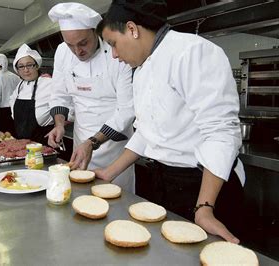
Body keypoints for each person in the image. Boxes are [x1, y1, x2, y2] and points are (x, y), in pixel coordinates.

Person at [96, 0, 246, 243]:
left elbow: (221, 133)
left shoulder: (193, 52)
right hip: (166, 182)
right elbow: (146, 131)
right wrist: (108, 172)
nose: (114, 55)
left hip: (204, 186)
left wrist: (204, 207)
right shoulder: (143, 69)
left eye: (113, 44)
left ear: (132, 29)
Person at [46, 3, 136, 192]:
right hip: (81, 145)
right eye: (71, 45)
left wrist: (92, 142)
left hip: (115, 149)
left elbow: (127, 109)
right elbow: (60, 94)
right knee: (80, 198)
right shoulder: (62, 52)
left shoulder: (116, 53)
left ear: (95, 32)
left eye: (83, 43)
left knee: (116, 203)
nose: (77, 51)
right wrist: (59, 124)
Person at [8, 44, 53, 145]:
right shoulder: (19, 87)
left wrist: (60, 124)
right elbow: (12, 106)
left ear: (36, 66)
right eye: (21, 66)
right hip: (22, 144)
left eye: (29, 65)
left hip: (45, 142)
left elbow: (68, 107)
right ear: (17, 69)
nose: (26, 70)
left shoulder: (49, 83)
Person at [0, 53, 20, 135]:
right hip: (17, 111)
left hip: (5, 113)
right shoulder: (16, 77)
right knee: (15, 137)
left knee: (4, 139)